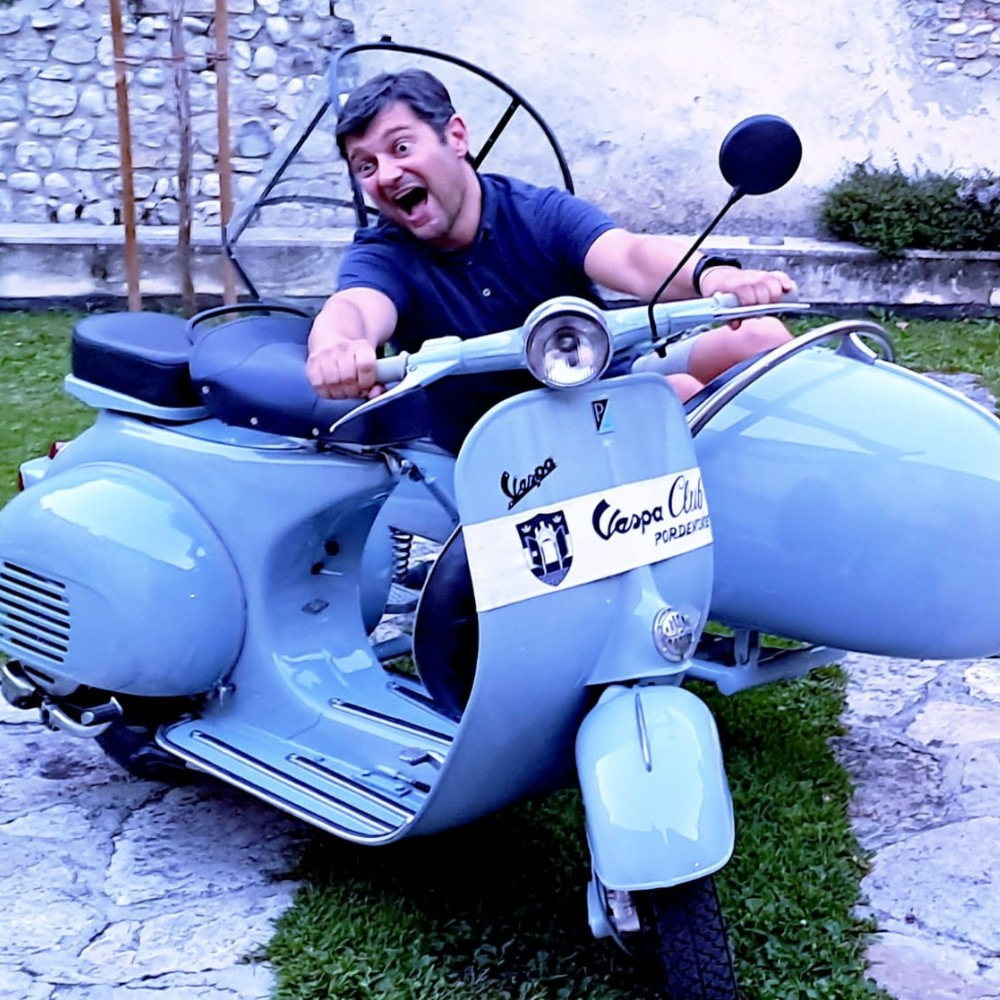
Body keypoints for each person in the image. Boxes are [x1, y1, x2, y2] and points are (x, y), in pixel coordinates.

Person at [306, 68, 793, 403]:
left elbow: (628, 255)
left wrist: (714, 277)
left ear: (455, 137)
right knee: (673, 396)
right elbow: (354, 308)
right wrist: (337, 347)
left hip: (598, 380)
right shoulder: (385, 255)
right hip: (498, 442)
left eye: (400, 148)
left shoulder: (535, 212)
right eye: (365, 166)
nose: (386, 174)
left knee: (762, 336)